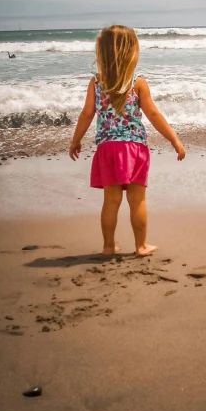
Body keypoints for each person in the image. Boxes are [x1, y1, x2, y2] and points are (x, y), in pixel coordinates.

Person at [69, 25, 185, 256]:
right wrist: (174, 140)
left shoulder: (96, 82)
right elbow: (153, 114)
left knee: (111, 201)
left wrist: (76, 140)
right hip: (134, 148)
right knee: (137, 200)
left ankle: (108, 246)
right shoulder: (137, 82)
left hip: (107, 148)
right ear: (132, 51)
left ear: (102, 52)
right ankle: (141, 246)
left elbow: (86, 114)